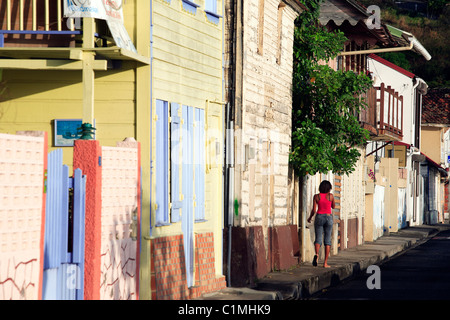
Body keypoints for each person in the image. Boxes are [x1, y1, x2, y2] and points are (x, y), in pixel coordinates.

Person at [307, 180, 335, 268]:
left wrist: (310, 217)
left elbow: (314, 210)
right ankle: (325, 263)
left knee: (318, 238)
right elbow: (333, 206)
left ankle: (317, 255)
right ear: (329, 188)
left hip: (319, 217)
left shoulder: (316, 196)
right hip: (328, 217)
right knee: (327, 240)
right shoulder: (331, 196)